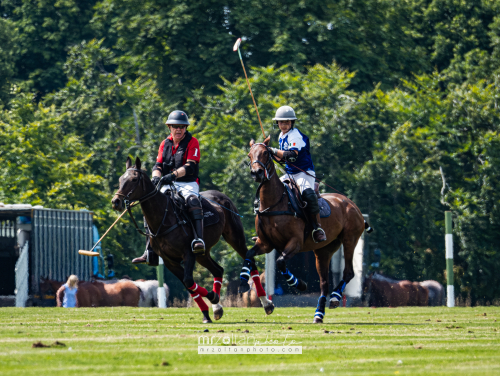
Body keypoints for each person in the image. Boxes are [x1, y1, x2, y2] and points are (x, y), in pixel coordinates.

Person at [132, 110, 204, 264]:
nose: (179, 129)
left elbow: (190, 166)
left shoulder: (193, 142)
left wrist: (173, 175)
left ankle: (198, 239)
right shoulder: (165, 143)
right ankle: (149, 249)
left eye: (182, 127)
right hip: (167, 182)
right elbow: (158, 164)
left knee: (192, 201)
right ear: (169, 127)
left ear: (185, 128)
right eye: (175, 126)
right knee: (151, 206)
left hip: (187, 183)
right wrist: (156, 176)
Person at [268, 105, 327, 243]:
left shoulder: (295, 135)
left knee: (307, 193)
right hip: (290, 173)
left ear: (292, 123)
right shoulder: (282, 136)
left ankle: (317, 228)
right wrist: (269, 154)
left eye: (287, 122)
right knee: (271, 190)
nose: (284, 125)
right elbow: (282, 159)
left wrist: (274, 151)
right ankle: (267, 228)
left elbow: (291, 155)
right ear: (277, 123)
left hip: (304, 172)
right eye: (282, 122)